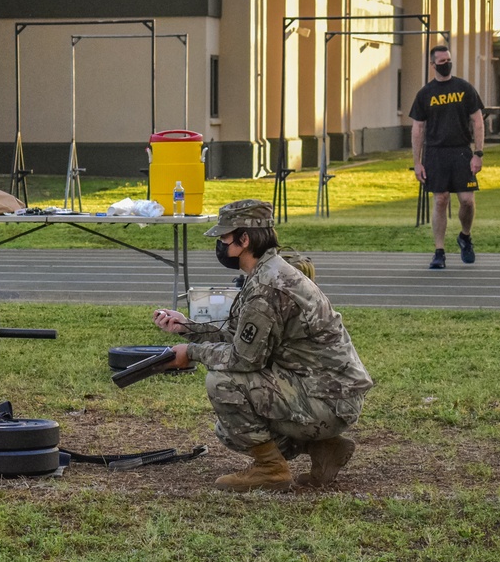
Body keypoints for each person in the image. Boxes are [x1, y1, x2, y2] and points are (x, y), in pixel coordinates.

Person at [153, 200, 373, 492]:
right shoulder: (268, 273)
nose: (220, 245)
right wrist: (188, 328)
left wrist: (191, 354)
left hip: (328, 398)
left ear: (244, 239)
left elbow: (244, 359)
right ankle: (325, 449)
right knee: (229, 430)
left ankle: (271, 470)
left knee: (223, 384)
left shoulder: (268, 286)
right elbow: (238, 334)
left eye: (224, 238)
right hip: (326, 391)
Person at [409, 45, 485, 270]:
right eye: (441, 62)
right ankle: (439, 252)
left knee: (467, 201)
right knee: (440, 200)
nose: (446, 64)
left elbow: (478, 121)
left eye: (448, 60)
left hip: (461, 151)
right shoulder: (425, 94)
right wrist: (417, 162)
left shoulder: (464, 88)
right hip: (435, 154)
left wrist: (478, 154)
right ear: (433, 65)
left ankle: (465, 236)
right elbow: (417, 129)